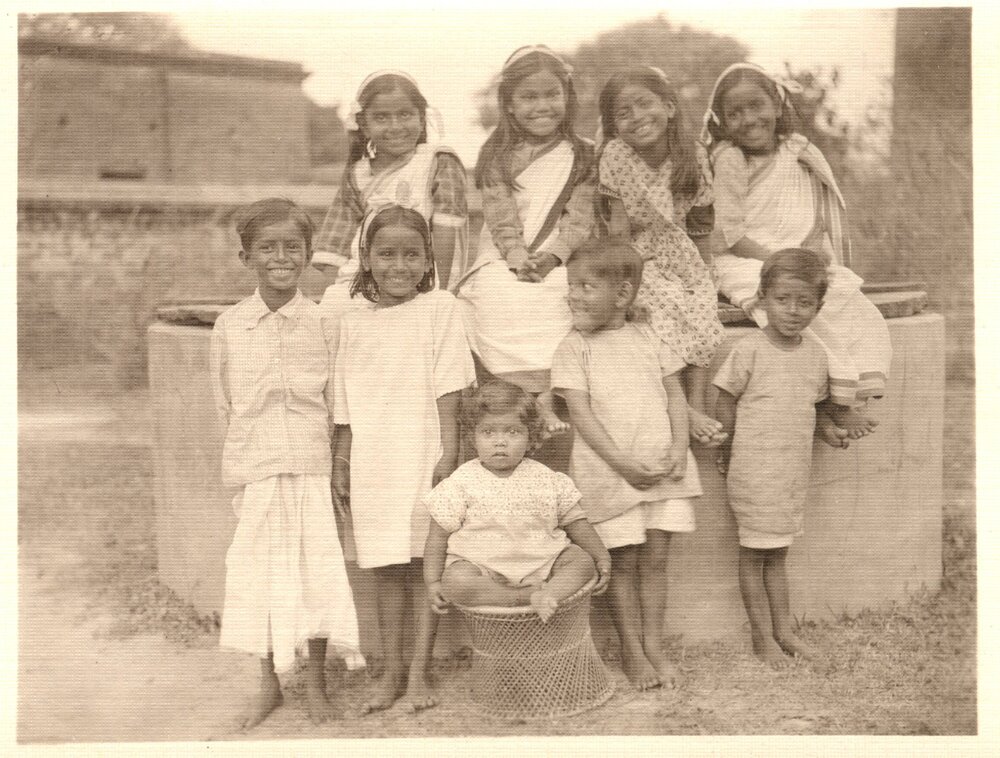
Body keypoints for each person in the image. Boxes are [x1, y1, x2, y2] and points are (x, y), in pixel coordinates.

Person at [209, 198, 361, 730]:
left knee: (318, 570)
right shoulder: (230, 327)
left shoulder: (323, 322)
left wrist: (338, 464)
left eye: (292, 247)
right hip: (257, 469)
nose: (281, 257)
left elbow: (339, 405)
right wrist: (243, 472)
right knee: (259, 573)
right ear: (246, 256)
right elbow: (226, 406)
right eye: (267, 247)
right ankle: (268, 681)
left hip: (312, 467)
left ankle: (315, 683)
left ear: (306, 253)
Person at [332, 204, 475, 714]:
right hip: (374, 458)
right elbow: (343, 398)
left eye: (412, 254)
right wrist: (343, 458)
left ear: (428, 258)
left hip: (423, 452)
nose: (400, 265)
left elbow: (452, 386)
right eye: (386, 254)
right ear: (366, 259)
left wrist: (449, 453)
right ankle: (390, 672)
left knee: (425, 564)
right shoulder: (349, 318)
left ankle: (420, 674)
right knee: (387, 567)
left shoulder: (440, 309)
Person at [704, 62, 892, 445]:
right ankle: (832, 405)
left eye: (756, 106)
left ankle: (832, 399)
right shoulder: (730, 159)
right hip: (743, 257)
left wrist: (810, 255)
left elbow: (815, 215)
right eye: (734, 113)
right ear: (721, 121)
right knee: (789, 301)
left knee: (844, 298)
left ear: (777, 103)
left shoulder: (798, 152)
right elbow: (731, 234)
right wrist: (781, 260)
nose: (748, 119)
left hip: (792, 254)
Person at [551, 238, 702, 690]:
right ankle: (633, 653)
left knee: (656, 561)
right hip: (610, 475)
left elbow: (675, 396)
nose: (574, 295)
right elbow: (581, 416)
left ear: (623, 294)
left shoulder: (649, 336)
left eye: (586, 286)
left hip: (662, 468)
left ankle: (654, 646)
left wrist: (679, 449)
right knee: (622, 561)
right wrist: (624, 466)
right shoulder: (572, 349)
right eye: (571, 286)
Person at [457, 45, 596, 440]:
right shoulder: (497, 154)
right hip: (504, 255)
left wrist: (555, 256)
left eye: (551, 95)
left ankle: (550, 393)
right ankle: (521, 395)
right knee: (497, 292)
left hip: (560, 256)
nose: (542, 106)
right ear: (510, 105)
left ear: (567, 98)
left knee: (559, 295)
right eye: (528, 97)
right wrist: (518, 258)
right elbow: (500, 216)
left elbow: (579, 215)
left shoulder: (584, 155)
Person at [596, 67, 727, 447]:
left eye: (644, 104)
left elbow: (701, 223)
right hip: (637, 254)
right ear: (614, 126)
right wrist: (624, 279)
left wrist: (705, 276)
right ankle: (679, 404)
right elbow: (617, 229)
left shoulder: (693, 153)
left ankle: (696, 401)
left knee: (700, 304)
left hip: (682, 250)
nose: (636, 117)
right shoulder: (615, 156)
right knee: (658, 303)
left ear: (669, 106)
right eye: (623, 113)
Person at [713, 248, 830, 667]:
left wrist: (833, 431)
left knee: (778, 555)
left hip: (790, 475)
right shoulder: (749, 349)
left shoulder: (816, 357)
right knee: (754, 554)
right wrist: (726, 448)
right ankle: (763, 638)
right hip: (754, 472)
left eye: (805, 302)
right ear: (763, 297)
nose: (794, 311)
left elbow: (809, 409)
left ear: (819, 306)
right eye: (783, 299)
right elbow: (724, 398)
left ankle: (785, 631)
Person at [423, 380, 612, 624]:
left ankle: (549, 594)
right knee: (456, 581)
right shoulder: (462, 481)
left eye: (512, 432)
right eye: (488, 432)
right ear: (472, 437)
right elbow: (437, 536)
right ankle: (527, 596)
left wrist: (601, 556)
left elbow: (577, 522)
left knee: (581, 562)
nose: (500, 441)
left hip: (544, 563)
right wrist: (433, 581)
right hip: (484, 570)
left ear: (530, 436)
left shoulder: (546, 477)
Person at [312, 70, 469, 313]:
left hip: (419, 277)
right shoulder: (358, 174)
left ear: (421, 117)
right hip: (363, 278)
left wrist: (439, 292)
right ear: (364, 125)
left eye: (405, 115)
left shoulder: (438, 163)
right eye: (382, 118)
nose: (395, 126)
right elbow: (335, 245)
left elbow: (446, 231)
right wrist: (341, 294)